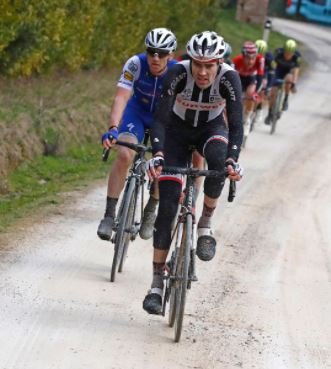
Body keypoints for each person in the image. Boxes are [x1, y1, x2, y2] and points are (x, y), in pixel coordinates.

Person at [142, 31, 244, 315]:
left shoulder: (229, 78)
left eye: (208, 65)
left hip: (211, 131)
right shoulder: (177, 72)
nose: (201, 71)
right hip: (175, 134)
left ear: (218, 63)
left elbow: (236, 125)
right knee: (168, 207)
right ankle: (156, 284)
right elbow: (160, 119)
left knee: (219, 162)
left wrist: (233, 160)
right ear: (190, 60)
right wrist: (159, 154)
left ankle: (205, 225)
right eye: (197, 63)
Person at [97, 28, 177, 241]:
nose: (156, 57)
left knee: (162, 163)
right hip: (137, 113)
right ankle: (109, 215)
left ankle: (151, 210)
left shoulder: (178, 72)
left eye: (161, 52)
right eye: (151, 52)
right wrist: (113, 127)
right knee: (124, 154)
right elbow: (121, 98)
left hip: (164, 118)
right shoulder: (135, 63)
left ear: (171, 54)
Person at [232, 41, 265, 139]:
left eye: (253, 58)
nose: (250, 61)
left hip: (251, 78)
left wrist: (254, 93)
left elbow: (260, 77)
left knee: (251, 94)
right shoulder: (236, 61)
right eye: (248, 58)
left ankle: (247, 121)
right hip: (238, 78)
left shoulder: (260, 59)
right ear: (243, 56)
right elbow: (231, 79)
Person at [264, 39, 301, 125]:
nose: (288, 55)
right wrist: (271, 81)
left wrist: (294, 84)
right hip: (278, 71)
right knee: (273, 93)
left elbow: (296, 71)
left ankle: (285, 99)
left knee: (289, 79)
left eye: (290, 53)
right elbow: (273, 67)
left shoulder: (297, 56)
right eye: (286, 52)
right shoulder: (278, 52)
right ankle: (270, 113)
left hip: (288, 72)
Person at [254, 39, 275, 124]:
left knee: (262, 90)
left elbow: (272, 73)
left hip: (264, 74)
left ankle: (259, 109)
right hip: (253, 73)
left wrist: (268, 87)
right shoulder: (251, 54)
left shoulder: (269, 58)